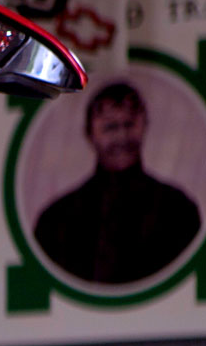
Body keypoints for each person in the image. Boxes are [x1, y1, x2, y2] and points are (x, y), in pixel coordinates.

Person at [33, 81, 201, 286]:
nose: (122, 137)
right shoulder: (55, 222)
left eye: (129, 124)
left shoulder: (179, 210)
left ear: (144, 125)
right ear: (90, 134)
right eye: (110, 127)